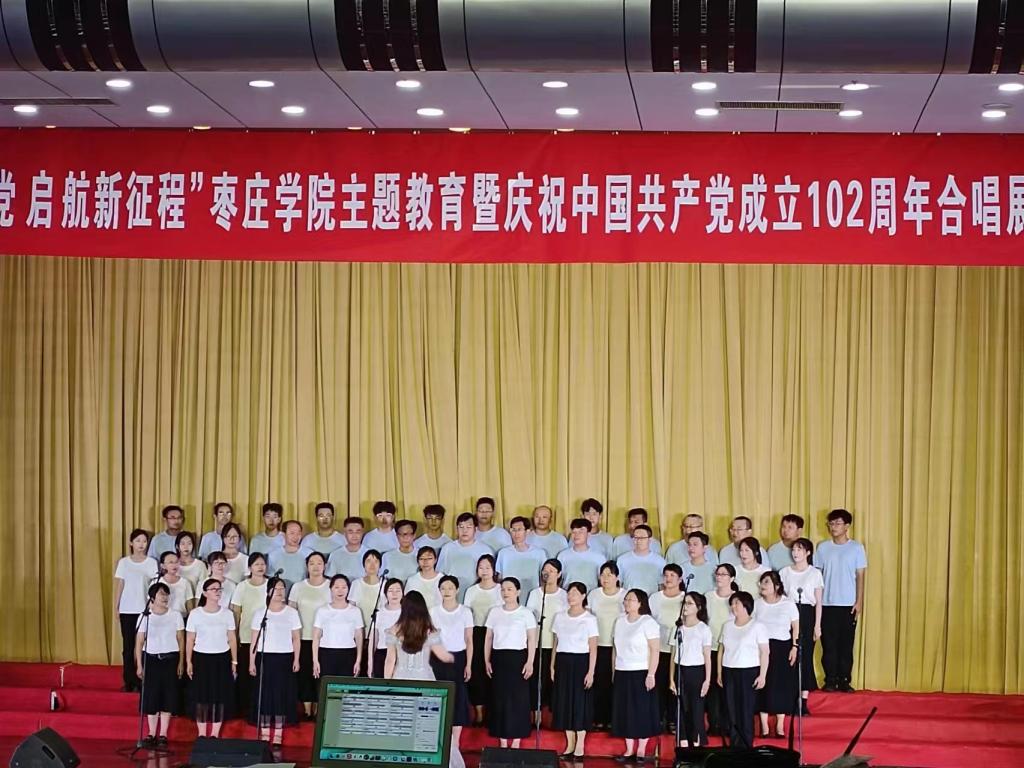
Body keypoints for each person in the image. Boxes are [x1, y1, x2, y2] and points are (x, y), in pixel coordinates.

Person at [816, 508, 867, 693]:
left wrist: (859, 601)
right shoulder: (822, 547)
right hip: (827, 604)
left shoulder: (856, 548)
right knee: (828, 645)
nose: (833, 527)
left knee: (846, 644)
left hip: (848, 605)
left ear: (847, 526)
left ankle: (845, 680)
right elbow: (817, 576)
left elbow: (860, 576)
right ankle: (830, 680)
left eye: (837, 523)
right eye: (831, 523)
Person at [484, 577, 538, 748]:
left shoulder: (526, 613)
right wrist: (486, 660)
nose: (505, 593)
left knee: (518, 699)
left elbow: (532, 639)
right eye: (503, 589)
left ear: (518, 592)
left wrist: (530, 662)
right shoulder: (494, 612)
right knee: (499, 697)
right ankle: (501, 740)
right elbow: (488, 638)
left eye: (509, 589)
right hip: (499, 658)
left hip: (518, 659)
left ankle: (516, 740)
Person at [248, 577, 301, 744]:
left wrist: (296, 659)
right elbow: (254, 639)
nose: (279, 592)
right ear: (268, 591)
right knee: (265, 695)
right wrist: (251, 661)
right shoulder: (261, 613)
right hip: (265, 657)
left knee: (281, 694)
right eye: (276, 588)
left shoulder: (291, 613)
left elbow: (296, 638)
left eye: (282, 588)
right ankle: (264, 733)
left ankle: (278, 732)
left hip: (284, 658)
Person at [611, 588, 661, 762]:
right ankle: (629, 749)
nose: (626, 602)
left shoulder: (647, 622)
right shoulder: (619, 621)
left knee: (641, 710)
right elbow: (615, 649)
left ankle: (641, 749)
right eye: (625, 599)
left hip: (641, 671)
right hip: (622, 670)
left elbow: (655, 650)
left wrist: (651, 674)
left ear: (640, 603)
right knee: (624, 710)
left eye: (630, 600)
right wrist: (614, 670)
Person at [550, 582, 599, 759]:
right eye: (569, 593)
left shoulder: (589, 619)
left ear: (583, 596)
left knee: (580, 703)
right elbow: (556, 642)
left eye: (575, 593)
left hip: (581, 663)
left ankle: (580, 744)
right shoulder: (560, 616)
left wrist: (591, 671)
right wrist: (552, 666)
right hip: (563, 661)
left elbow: (593, 647)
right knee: (564, 702)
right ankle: (569, 743)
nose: (571, 597)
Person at [186, 578, 238, 738]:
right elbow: (190, 639)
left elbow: (232, 638)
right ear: (204, 593)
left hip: (222, 658)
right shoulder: (195, 614)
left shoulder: (227, 614)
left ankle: (215, 733)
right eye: (213, 589)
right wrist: (188, 661)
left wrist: (234, 661)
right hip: (201, 658)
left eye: (219, 589)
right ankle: (202, 733)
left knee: (219, 695)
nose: (217, 592)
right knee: (201, 695)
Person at [134, 582, 184, 748]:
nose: (165, 597)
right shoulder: (145, 617)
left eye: (166, 594)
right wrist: (139, 664)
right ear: (152, 598)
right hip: (151, 659)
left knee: (167, 696)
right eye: (162, 594)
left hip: (170, 659)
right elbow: (139, 642)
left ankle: (163, 734)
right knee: (152, 697)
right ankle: (151, 733)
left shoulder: (175, 615)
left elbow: (181, 639)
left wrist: (181, 662)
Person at [717, 591, 769, 750]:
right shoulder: (727, 626)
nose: (733, 607)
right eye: (732, 604)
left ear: (746, 605)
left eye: (736, 603)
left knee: (745, 710)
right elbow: (721, 650)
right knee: (731, 709)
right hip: (729, 670)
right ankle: (734, 746)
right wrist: (719, 672)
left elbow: (764, 652)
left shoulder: (758, 626)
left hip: (749, 672)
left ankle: (746, 746)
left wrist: (762, 675)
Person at [430, 576, 474, 756]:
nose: (446, 591)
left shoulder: (465, 612)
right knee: (439, 697)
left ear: (457, 590)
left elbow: (469, 640)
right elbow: (430, 639)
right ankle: (439, 738)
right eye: (443, 588)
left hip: (459, 658)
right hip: (438, 659)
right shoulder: (433, 612)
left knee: (458, 698)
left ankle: (455, 743)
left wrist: (469, 664)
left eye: (450, 588)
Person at [780, 538, 824, 713]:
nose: (795, 553)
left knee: (805, 657)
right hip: (788, 615)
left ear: (808, 553)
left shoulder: (815, 573)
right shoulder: (784, 572)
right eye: (794, 549)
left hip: (807, 614)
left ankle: (803, 701)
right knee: (789, 655)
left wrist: (817, 625)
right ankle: (789, 698)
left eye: (799, 549)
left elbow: (818, 602)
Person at [754, 572, 800, 738]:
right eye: (761, 582)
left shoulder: (788, 604)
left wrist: (794, 647)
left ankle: (780, 724)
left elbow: (796, 627)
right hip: (761, 648)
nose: (762, 585)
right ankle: (764, 725)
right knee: (763, 683)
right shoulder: (757, 604)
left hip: (782, 647)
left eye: (766, 582)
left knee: (781, 684)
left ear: (777, 586)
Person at [115, 528, 159, 692]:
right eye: (138, 541)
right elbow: (120, 584)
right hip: (127, 609)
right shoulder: (124, 562)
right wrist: (116, 607)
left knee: (144, 646)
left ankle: (143, 681)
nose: (141, 544)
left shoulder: (151, 562)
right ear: (131, 543)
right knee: (128, 646)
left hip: (145, 610)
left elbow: (154, 585)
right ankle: (129, 680)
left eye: (144, 541)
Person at [288, 552, 331, 719]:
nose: (316, 566)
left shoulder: (331, 585)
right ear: (307, 566)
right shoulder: (298, 587)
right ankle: (307, 710)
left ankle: (319, 709)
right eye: (312, 563)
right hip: (303, 638)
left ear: (325, 566)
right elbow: (291, 612)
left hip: (325, 639)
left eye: (319, 563)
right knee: (305, 674)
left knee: (321, 674)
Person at [668, 592, 712, 748]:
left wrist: (707, 680)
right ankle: (683, 742)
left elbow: (707, 656)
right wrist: (671, 678)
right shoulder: (678, 628)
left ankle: (696, 742)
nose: (685, 606)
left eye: (689, 603)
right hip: (681, 670)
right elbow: (674, 655)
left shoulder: (703, 629)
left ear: (698, 608)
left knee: (696, 708)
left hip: (697, 671)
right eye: (684, 603)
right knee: (681, 707)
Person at [463, 554, 502, 726]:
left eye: (488, 567)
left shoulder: (501, 589)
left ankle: (493, 713)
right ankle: (479, 713)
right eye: (481, 567)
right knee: (477, 673)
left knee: (494, 672)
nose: (484, 571)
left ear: (494, 570)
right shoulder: (472, 590)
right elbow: (466, 614)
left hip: (497, 634)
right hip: (477, 633)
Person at [526, 559, 569, 713]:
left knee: (553, 681)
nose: (547, 574)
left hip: (556, 645)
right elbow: (529, 618)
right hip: (537, 644)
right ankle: (535, 715)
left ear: (559, 574)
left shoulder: (564, 595)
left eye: (551, 571)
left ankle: (552, 716)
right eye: (545, 570)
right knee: (535, 683)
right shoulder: (535, 594)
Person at [230, 552, 270, 713]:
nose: (260, 567)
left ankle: (262, 707)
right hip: (246, 636)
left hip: (267, 638)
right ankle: (245, 708)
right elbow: (236, 612)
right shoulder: (242, 586)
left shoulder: (271, 585)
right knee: (246, 674)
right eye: (256, 564)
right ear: (250, 567)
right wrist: (236, 634)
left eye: (262, 564)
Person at [588, 561, 625, 730]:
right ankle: (598, 718)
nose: (605, 578)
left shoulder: (625, 595)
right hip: (597, 645)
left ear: (617, 577)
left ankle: (613, 719)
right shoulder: (594, 594)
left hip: (618, 647)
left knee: (614, 682)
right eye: (602, 575)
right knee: (598, 682)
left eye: (609, 575)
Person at [649, 564, 686, 730]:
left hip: (678, 650)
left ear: (680, 579)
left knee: (675, 685)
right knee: (658, 684)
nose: (668, 579)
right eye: (666, 575)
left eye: (672, 575)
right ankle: (657, 718)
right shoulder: (655, 598)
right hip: (658, 648)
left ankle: (673, 719)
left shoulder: (685, 598)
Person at [704, 564, 738, 738]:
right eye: (718, 574)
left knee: (728, 688)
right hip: (710, 647)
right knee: (712, 688)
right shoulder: (708, 596)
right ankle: (713, 723)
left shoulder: (737, 598)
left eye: (724, 574)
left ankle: (728, 724)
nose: (719, 577)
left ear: (732, 578)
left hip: (731, 649)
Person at [312, 574, 364, 678]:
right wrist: (315, 661)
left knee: (346, 685)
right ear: (331, 589)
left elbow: (359, 637)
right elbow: (316, 637)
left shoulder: (355, 611)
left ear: (348, 589)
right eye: (336, 587)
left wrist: (358, 661)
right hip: (326, 653)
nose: (340, 591)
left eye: (344, 587)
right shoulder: (322, 610)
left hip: (348, 653)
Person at [438, 513, 494, 601]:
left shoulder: (485, 550)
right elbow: (440, 574)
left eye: (468, 527)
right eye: (461, 527)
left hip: (477, 595)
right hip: (451, 596)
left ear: (475, 529)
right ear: (457, 529)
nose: (464, 531)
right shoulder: (447, 548)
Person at [496, 516, 547, 596]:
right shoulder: (503, 553)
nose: (516, 533)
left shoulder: (539, 553)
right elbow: (499, 578)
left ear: (527, 531)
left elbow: (543, 578)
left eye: (519, 530)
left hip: (532, 596)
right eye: (513, 530)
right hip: (509, 597)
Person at [366, 576, 403, 677]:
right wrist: (370, 663)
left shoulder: (407, 612)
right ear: (386, 593)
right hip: (382, 653)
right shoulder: (379, 613)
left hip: (402, 654)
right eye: (391, 591)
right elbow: (373, 639)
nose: (394, 594)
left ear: (403, 593)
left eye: (398, 590)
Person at [557, 518, 606, 592]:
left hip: (591, 596)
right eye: (574, 532)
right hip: (568, 595)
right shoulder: (562, 556)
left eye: (581, 532)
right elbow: (558, 580)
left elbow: (603, 581)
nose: (576, 535)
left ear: (588, 534)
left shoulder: (599, 557)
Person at [617, 524, 667, 595]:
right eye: (636, 538)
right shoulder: (622, 560)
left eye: (642, 538)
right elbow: (619, 584)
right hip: (629, 599)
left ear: (650, 540)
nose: (638, 541)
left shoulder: (660, 561)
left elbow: (662, 586)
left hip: (651, 599)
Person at [268, 520, 314, 589]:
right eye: (292, 533)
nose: (296, 537)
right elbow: (270, 578)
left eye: (298, 533)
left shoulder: (309, 554)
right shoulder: (273, 555)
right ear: (283, 534)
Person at [157, 551, 195, 615]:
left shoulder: (185, 582)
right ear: (162, 565)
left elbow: (190, 606)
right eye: (171, 562)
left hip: (181, 617)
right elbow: (151, 604)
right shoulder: (156, 582)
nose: (174, 565)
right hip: (162, 617)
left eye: (176, 562)